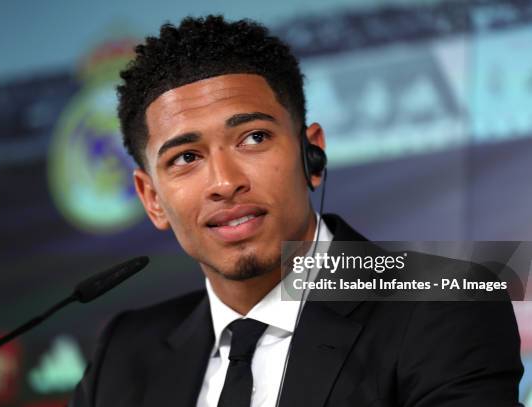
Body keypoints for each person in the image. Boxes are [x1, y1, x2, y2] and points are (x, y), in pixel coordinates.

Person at [69, 15, 523, 407]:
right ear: (151, 199)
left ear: (312, 156)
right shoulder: (123, 354)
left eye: (254, 138)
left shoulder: (445, 307)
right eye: (186, 158)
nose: (225, 183)